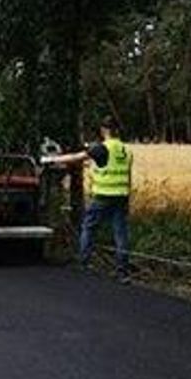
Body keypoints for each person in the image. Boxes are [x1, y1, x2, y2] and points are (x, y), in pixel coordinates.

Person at [43, 117, 133, 279]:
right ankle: (122, 271)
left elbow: (76, 158)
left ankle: (83, 263)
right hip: (122, 196)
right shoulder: (126, 149)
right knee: (121, 233)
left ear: (104, 130)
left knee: (89, 227)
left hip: (103, 196)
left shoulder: (102, 148)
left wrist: (51, 160)